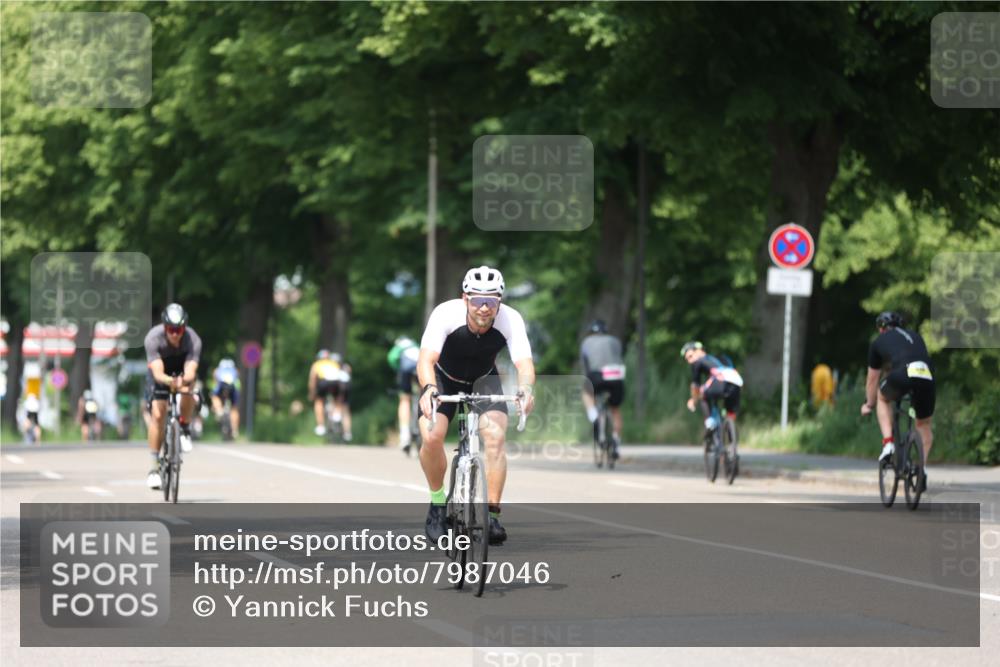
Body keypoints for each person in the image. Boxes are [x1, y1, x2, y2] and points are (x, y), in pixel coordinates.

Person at [417, 265, 535, 546]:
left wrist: (526, 389)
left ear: (500, 302)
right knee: (432, 435)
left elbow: (524, 363)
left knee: (495, 438)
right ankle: (436, 505)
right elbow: (426, 360)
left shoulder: (510, 319)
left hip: (484, 380)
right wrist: (429, 389)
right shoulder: (445, 314)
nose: (484, 308)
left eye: (491, 301)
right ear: (465, 298)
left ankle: (492, 515)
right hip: (443, 380)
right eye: (478, 300)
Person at [860, 311, 934, 491]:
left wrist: (869, 404)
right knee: (923, 425)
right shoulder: (916, 336)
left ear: (881, 328)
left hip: (903, 374)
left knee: (882, 397)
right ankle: (920, 469)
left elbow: (872, 380)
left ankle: (888, 444)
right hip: (926, 375)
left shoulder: (878, 342)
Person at [143, 303, 202, 489]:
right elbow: (158, 373)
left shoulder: (193, 339)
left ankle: (184, 428)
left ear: (184, 328)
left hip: (182, 371)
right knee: (158, 415)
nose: (175, 334)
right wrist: (170, 382)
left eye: (179, 329)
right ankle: (153, 468)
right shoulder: (153, 338)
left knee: (188, 390)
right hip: (161, 373)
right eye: (171, 329)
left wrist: (183, 381)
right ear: (165, 327)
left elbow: (191, 371)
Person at [580, 319, 625, 460]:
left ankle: (594, 416)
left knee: (586, 392)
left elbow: (586, 365)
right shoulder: (615, 341)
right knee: (615, 409)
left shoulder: (586, 342)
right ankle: (616, 441)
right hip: (616, 375)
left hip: (597, 375)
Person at [681, 341, 744, 428]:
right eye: (687, 359)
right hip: (736, 381)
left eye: (690, 356)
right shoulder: (717, 358)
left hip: (721, 381)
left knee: (702, 394)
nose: (689, 360)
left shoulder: (698, 362)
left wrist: (693, 400)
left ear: (700, 351)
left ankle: (709, 422)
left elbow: (696, 385)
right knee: (730, 412)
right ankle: (730, 431)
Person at [388, 335, 421, 454]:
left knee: (404, 399)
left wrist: (398, 371)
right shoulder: (415, 345)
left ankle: (405, 435)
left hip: (405, 369)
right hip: (419, 367)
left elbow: (391, 358)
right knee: (423, 396)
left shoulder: (399, 347)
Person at [308, 349, 340, 437]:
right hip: (335, 383)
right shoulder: (334, 363)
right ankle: (336, 415)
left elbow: (312, 379)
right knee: (336, 399)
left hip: (324, 382)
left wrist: (312, 392)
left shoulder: (317, 364)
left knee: (319, 401)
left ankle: (321, 426)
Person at [210, 357, 241, 438]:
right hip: (233, 389)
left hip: (221, 387)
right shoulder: (234, 370)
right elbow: (237, 377)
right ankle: (235, 430)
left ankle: (219, 410)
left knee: (214, 396)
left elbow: (214, 376)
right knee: (234, 408)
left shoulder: (218, 370)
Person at [330, 352, 353, 442]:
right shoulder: (346, 367)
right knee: (346, 411)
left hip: (337, 388)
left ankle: (336, 417)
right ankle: (347, 432)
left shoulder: (330, 368)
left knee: (333, 402)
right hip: (346, 388)